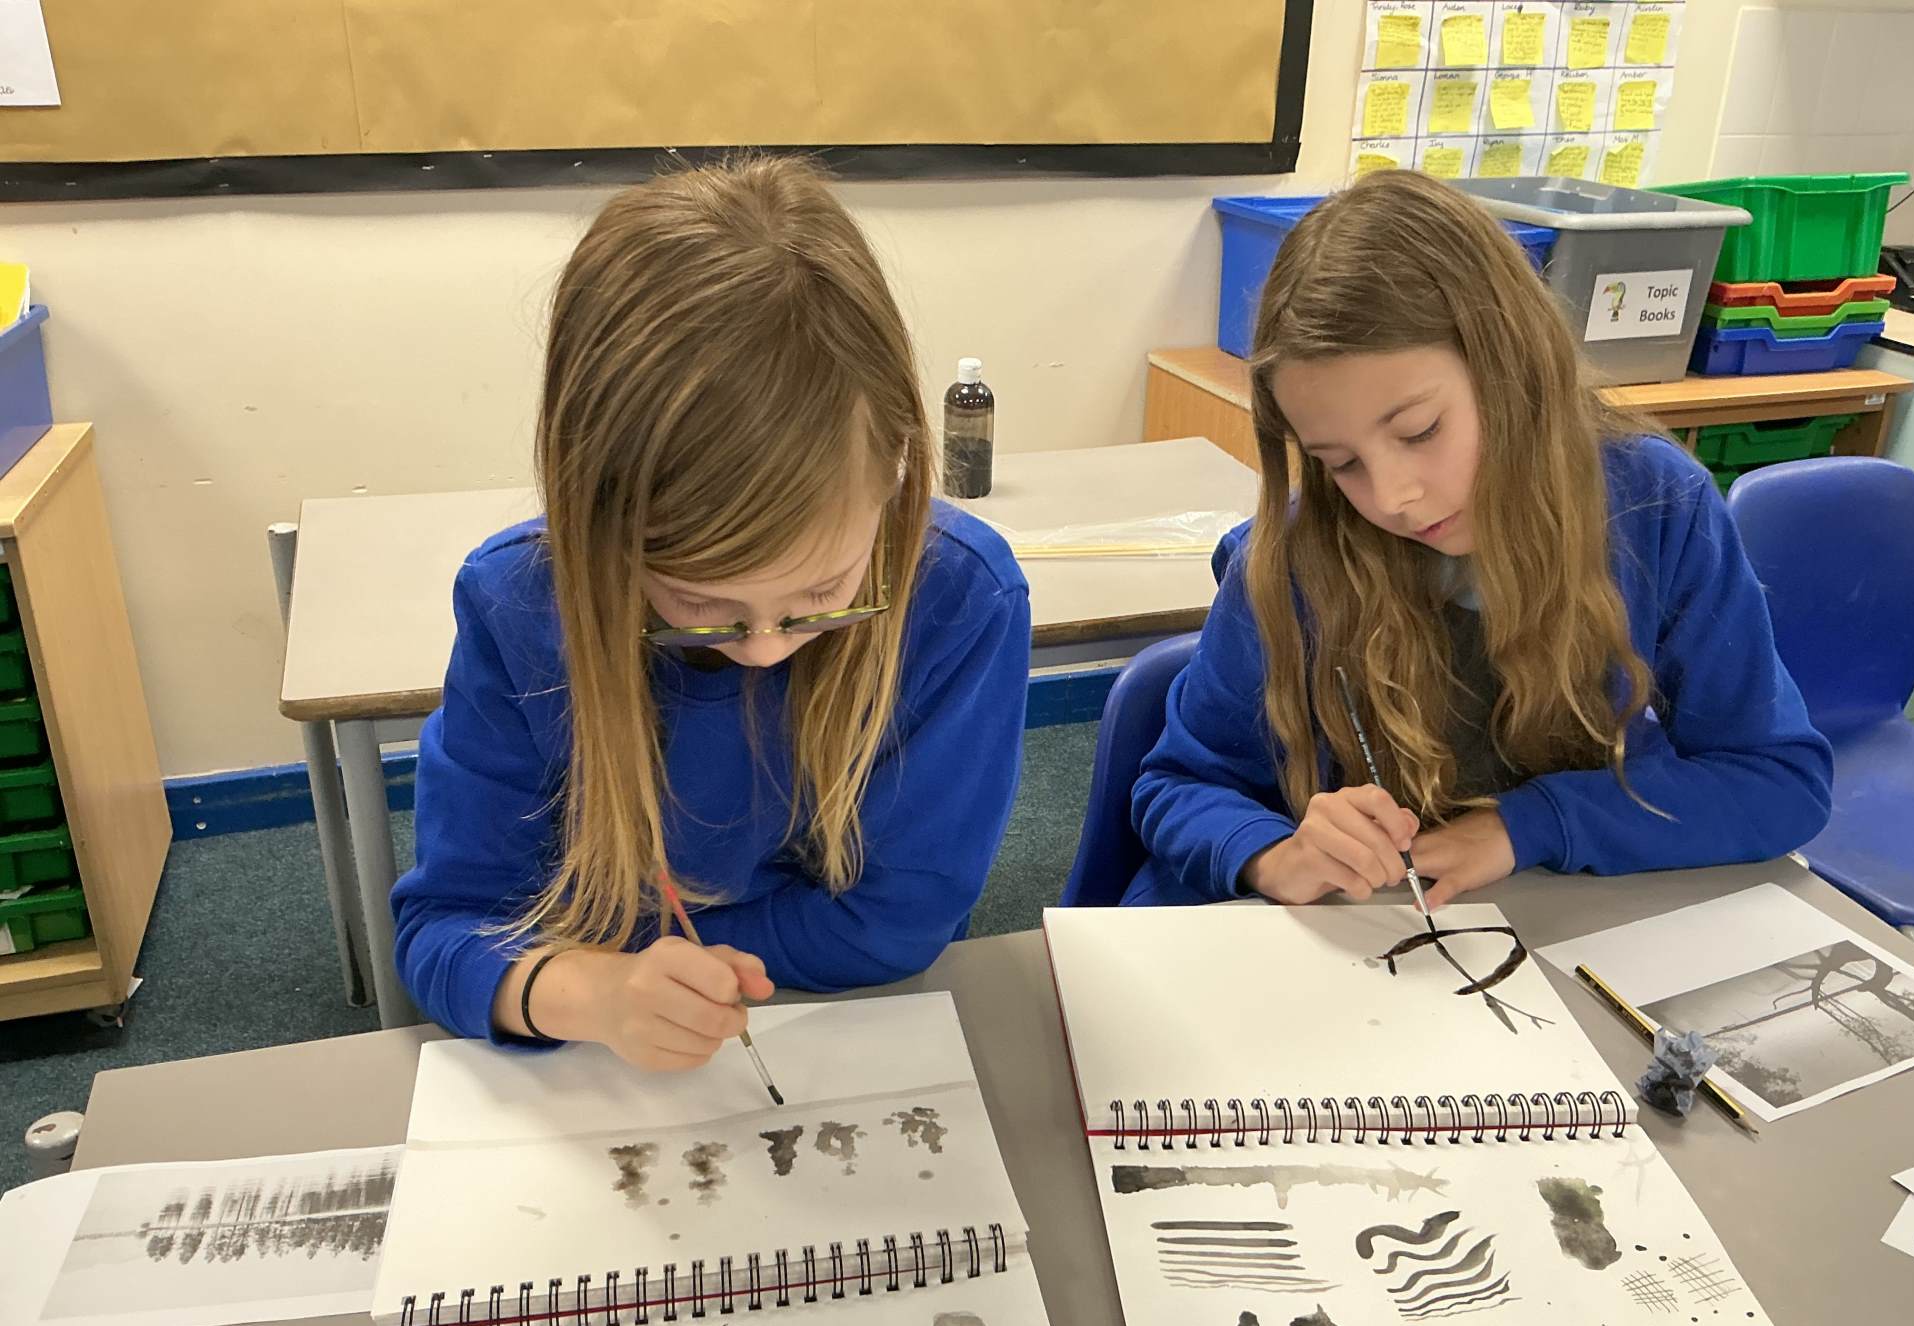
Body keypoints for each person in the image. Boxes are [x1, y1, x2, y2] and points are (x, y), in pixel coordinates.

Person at [393, 158, 1030, 1068]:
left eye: (821, 595)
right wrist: (593, 993)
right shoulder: (519, 607)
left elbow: (897, 923)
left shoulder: (959, 597)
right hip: (601, 1061)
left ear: (897, 468)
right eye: (700, 605)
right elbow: (443, 928)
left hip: (849, 1034)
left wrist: (621, 962)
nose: (765, 650)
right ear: (598, 522)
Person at [1127, 170, 1831, 909]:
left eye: (1419, 431)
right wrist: (1271, 854)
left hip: (1560, 924)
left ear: (1511, 365)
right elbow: (1178, 783)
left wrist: (1530, 827)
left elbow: (1778, 781)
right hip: (1363, 941)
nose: (1392, 496)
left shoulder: (1655, 507)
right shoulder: (1295, 557)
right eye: (1341, 463)